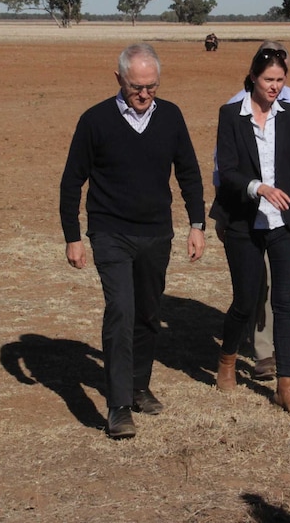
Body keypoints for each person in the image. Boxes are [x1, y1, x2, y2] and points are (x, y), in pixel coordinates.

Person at [60, 43, 207, 439]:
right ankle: (118, 405)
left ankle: (140, 385)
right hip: (110, 232)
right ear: (118, 79)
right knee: (121, 311)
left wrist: (198, 224)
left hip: (156, 232)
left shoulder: (171, 117)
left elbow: (189, 173)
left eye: (151, 87)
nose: (143, 95)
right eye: (135, 87)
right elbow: (72, 181)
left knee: (147, 314)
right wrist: (73, 237)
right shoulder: (95, 120)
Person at [212, 40, 290, 381]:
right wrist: (258, 188)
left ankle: (286, 385)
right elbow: (227, 169)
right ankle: (228, 359)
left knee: (284, 305)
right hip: (244, 221)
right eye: (268, 80)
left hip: (285, 223)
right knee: (246, 299)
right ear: (253, 77)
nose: (275, 87)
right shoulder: (231, 114)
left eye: (280, 80)